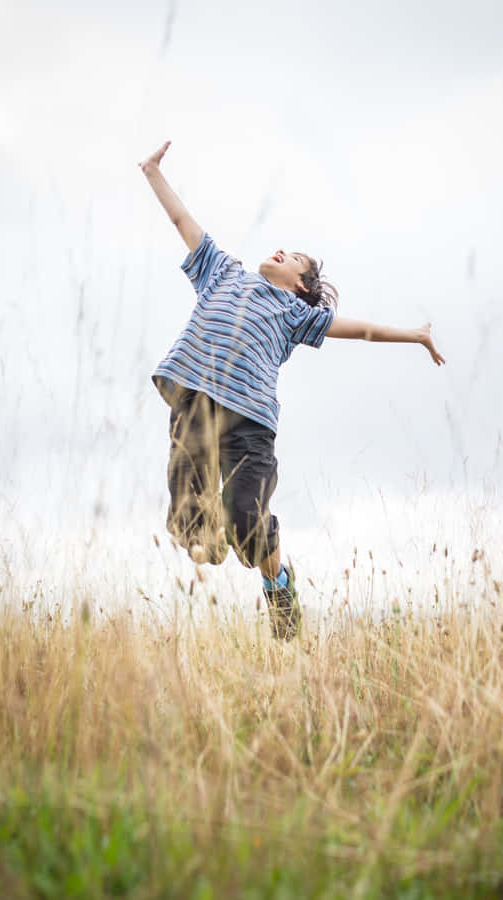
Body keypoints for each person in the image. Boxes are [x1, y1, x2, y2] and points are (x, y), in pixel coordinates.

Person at [139, 140, 445, 642]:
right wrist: (152, 172)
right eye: (284, 247)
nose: (280, 251)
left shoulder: (296, 314)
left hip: (249, 427)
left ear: (301, 285)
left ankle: (278, 585)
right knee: (191, 533)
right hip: (193, 406)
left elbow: (361, 329)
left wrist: (415, 334)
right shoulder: (222, 271)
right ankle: (207, 541)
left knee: (245, 520)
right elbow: (182, 223)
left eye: (293, 258)